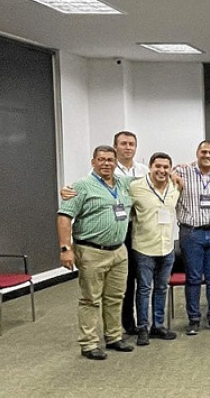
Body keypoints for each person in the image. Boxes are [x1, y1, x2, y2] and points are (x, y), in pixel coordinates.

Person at [58, 145, 135, 360]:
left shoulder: (122, 183)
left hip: (119, 252)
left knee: (115, 297)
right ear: (93, 162)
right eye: (101, 159)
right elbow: (64, 216)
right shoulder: (81, 186)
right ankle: (89, 343)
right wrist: (65, 248)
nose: (106, 163)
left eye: (110, 160)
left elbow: (153, 179)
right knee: (90, 299)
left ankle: (113, 336)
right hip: (91, 251)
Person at [175, 140, 210, 336]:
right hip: (192, 233)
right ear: (197, 153)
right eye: (204, 152)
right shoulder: (182, 172)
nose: (207, 155)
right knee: (194, 278)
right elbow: (160, 177)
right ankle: (194, 319)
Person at [128, 152, 180, 346]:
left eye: (166, 167)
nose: (162, 170)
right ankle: (142, 327)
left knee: (161, 287)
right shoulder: (136, 187)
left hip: (166, 247)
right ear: (150, 167)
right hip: (143, 248)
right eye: (158, 166)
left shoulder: (175, 187)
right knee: (143, 289)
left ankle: (158, 325)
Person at [113, 131, 149, 336]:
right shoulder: (109, 169)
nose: (128, 147)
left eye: (131, 144)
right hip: (118, 229)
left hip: (139, 228)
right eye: (123, 144)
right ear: (116, 146)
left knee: (137, 278)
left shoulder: (143, 171)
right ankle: (120, 323)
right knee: (121, 281)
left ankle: (134, 322)